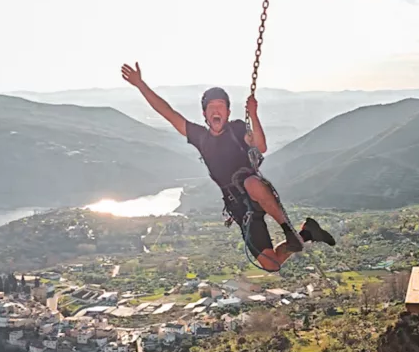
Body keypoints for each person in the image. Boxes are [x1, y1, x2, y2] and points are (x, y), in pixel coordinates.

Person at [120, 62, 335, 271]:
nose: (216, 110)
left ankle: (287, 230)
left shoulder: (237, 129)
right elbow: (167, 112)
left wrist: (254, 115)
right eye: (211, 107)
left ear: (228, 112)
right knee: (271, 264)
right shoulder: (200, 137)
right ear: (204, 114)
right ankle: (306, 233)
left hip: (255, 190)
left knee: (251, 183)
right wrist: (141, 85)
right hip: (238, 206)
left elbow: (261, 146)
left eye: (220, 106)